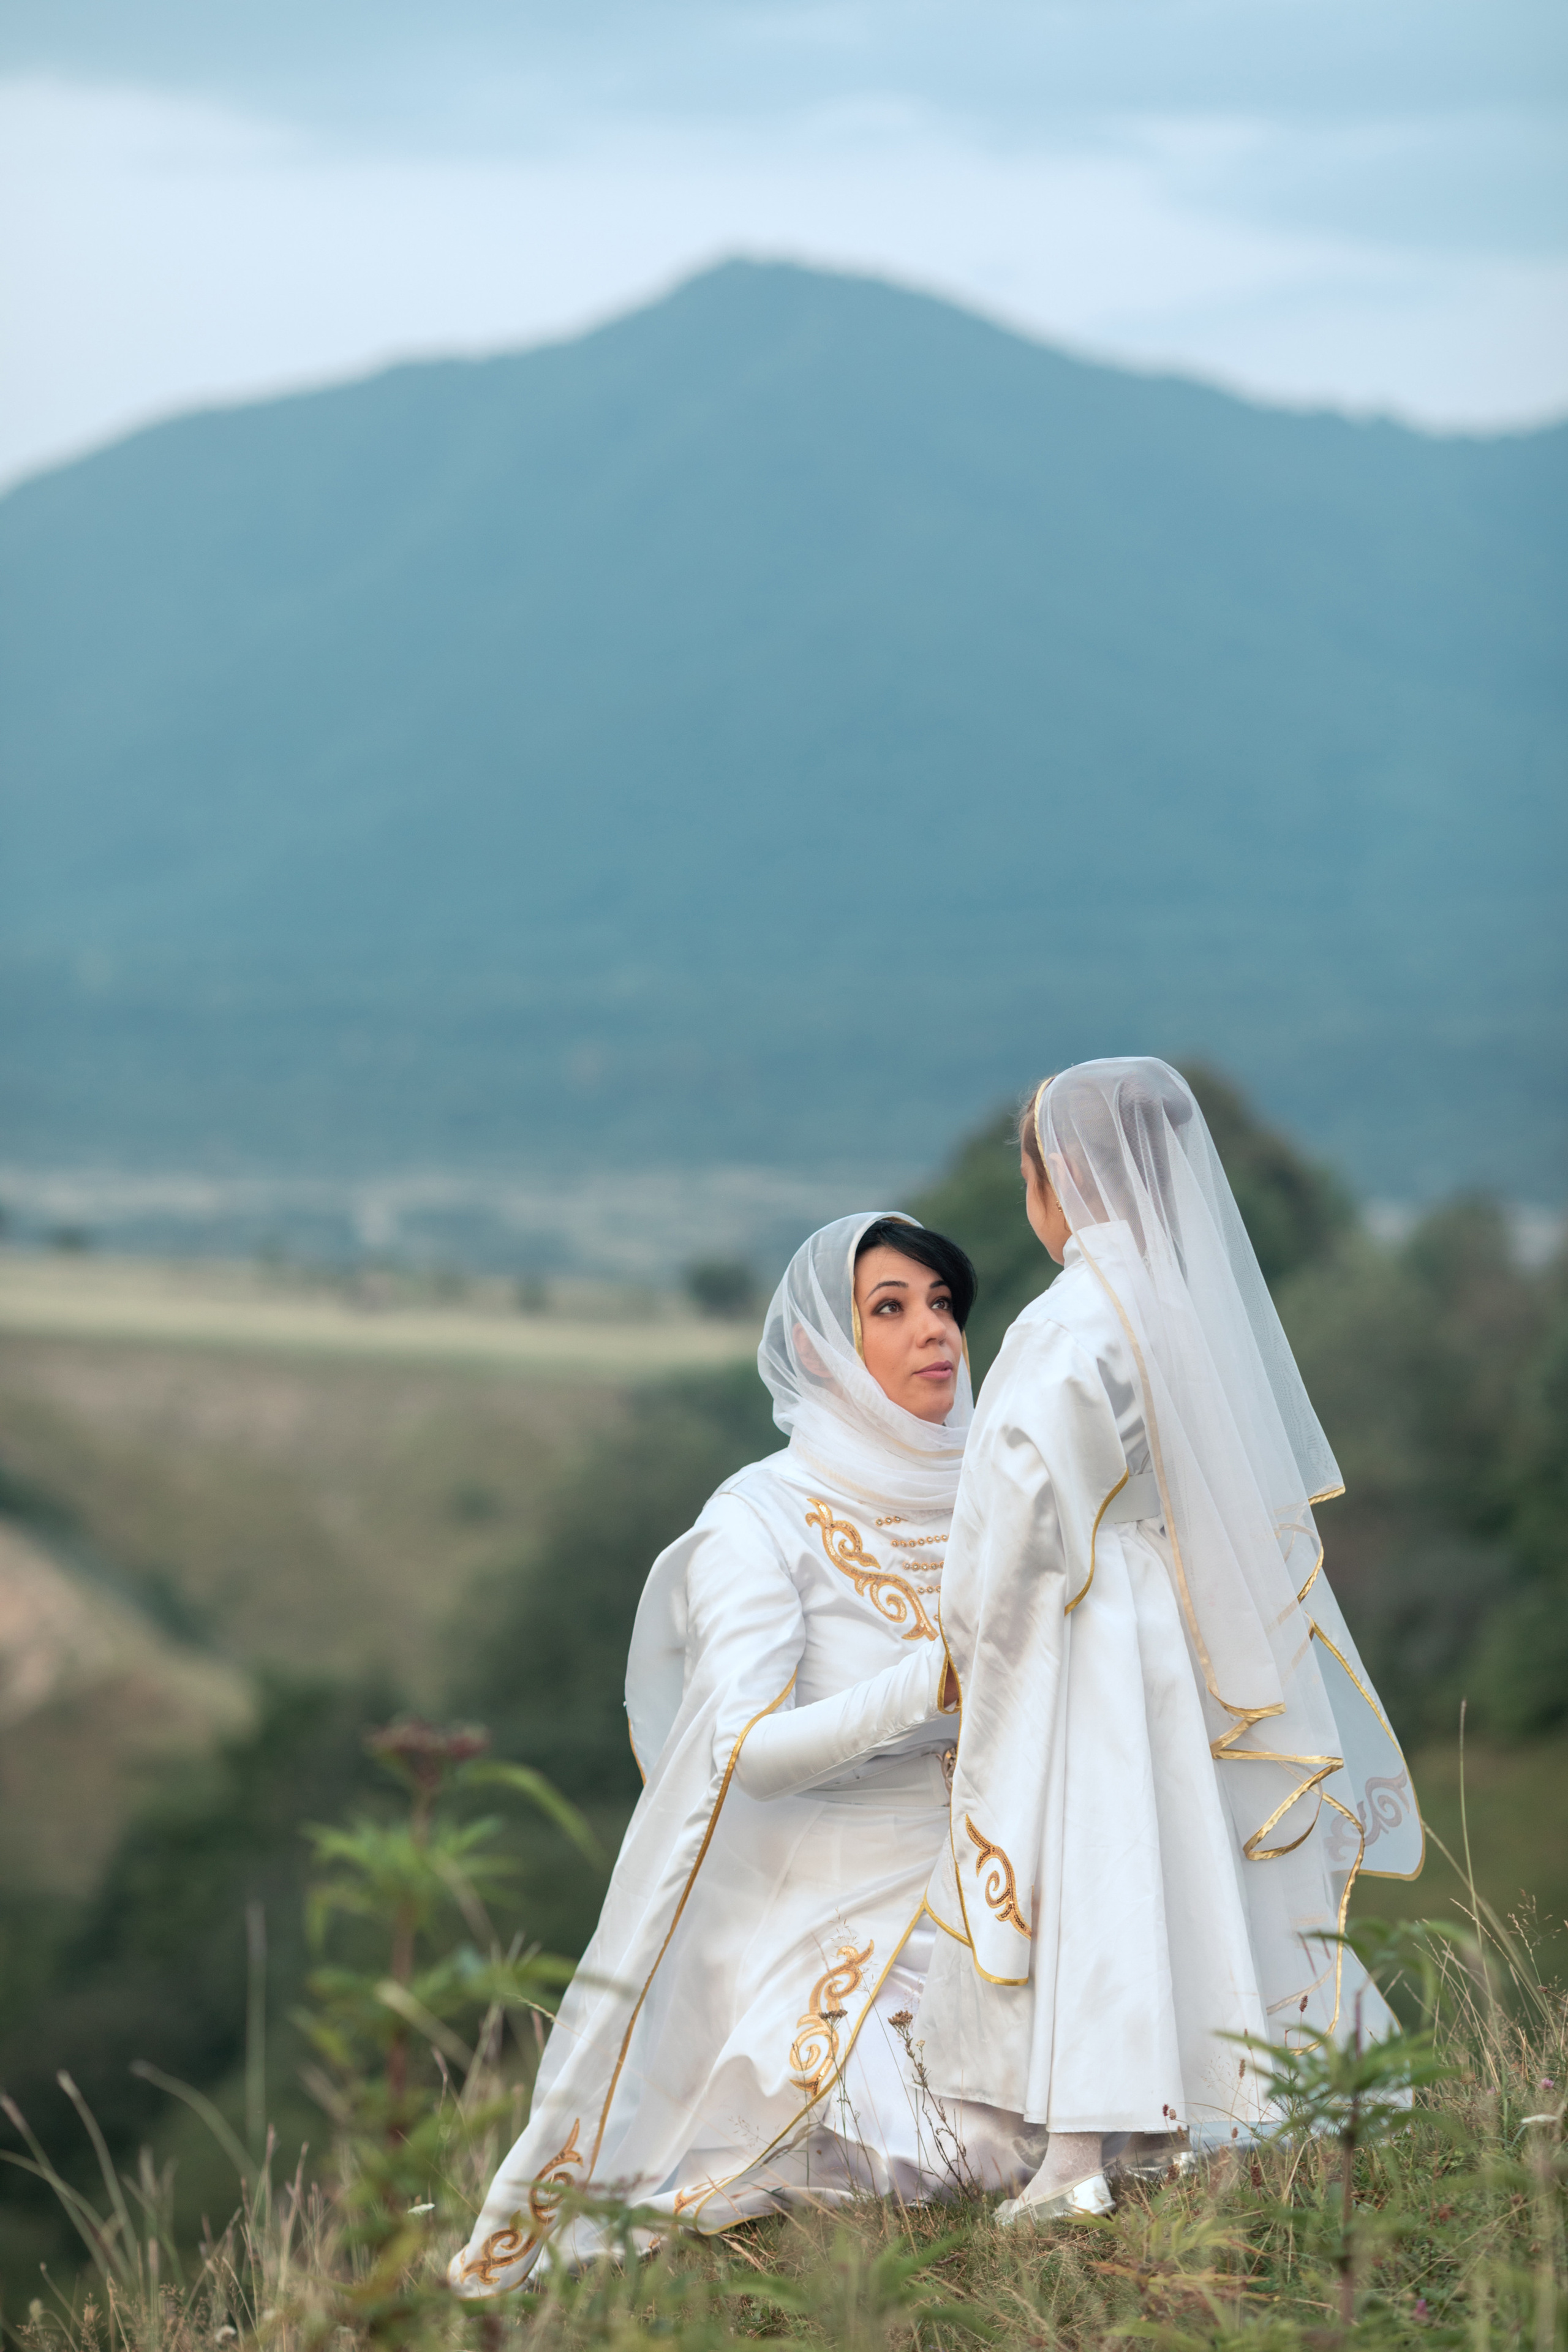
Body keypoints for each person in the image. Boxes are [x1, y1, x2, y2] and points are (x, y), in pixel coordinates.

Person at [450, 1211, 1037, 2292]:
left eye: (944, 1304)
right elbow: (750, 1754)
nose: (935, 1332)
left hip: (1011, 1871)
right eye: (891, 1310)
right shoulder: (759, 1521)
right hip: (839, 1907)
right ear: (820, 1352)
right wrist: (931, 1680)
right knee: (957, 2143)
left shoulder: (997, 1493)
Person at [916, 1059, 1423, 2223]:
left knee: (1105, 1858)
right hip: (1190, 1609)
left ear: (1059, 1184)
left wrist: (971, 1632)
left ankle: (1083, 2152)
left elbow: (1022, 1507)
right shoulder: (1187, 1308)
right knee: (1193, 1847)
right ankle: (1234, 2100)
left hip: (1094, 1619)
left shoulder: (1065, 1322)